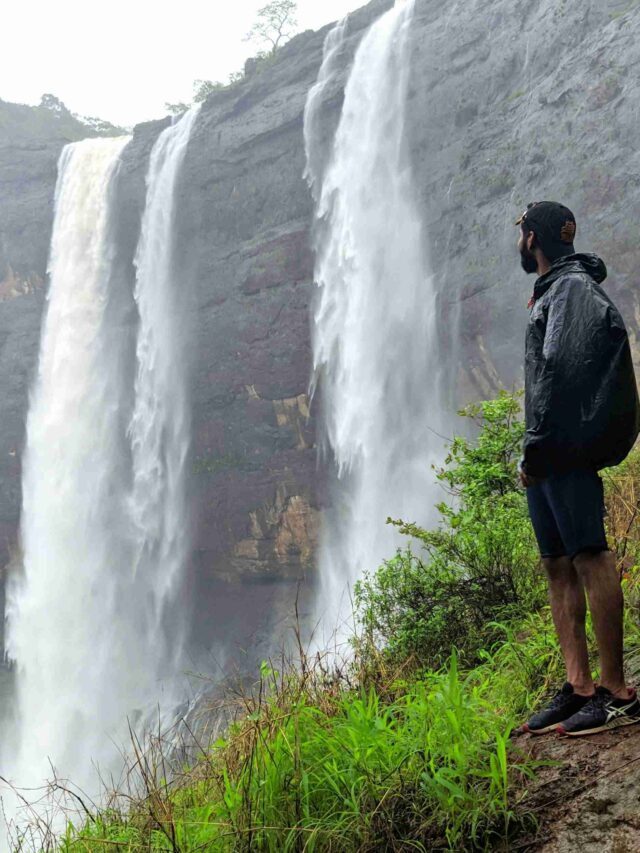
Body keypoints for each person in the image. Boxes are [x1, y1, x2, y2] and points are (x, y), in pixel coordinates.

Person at [517, 201, 640, 736]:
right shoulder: (556, 288)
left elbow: (562, 374)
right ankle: (579, 686)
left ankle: (616, 691)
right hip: (548, 452)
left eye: (522, 232)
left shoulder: (570, 290)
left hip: (560, 451)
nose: (519, 240)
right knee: (556, 563)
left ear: (534, 239)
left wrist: (539, 448)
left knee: (589, 555)